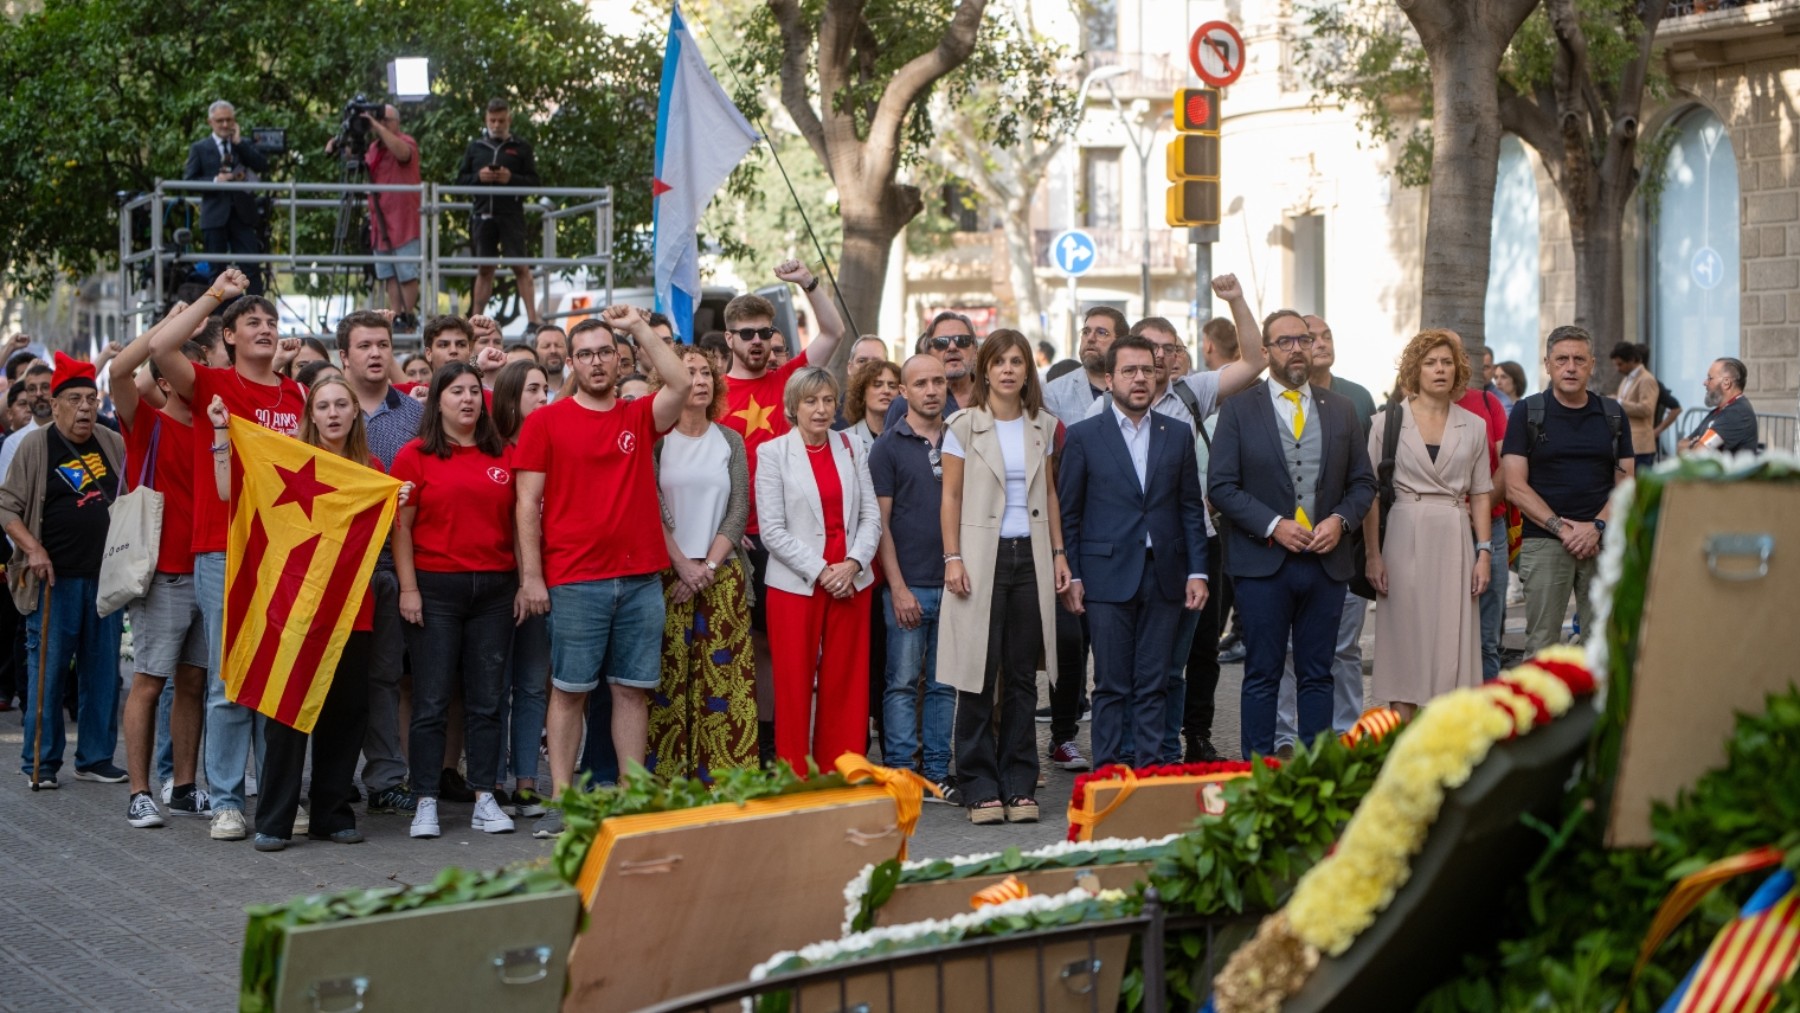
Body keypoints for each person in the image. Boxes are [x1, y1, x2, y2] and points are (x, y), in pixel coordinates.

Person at [207, 382, 407, 851]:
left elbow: (380, 541)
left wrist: (393, 504)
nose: (334, 413)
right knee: (286, 714)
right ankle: (274, 819)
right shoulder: (288, 458)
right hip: (296, 610)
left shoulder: (373, 470)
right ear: (311, 414)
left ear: (355, 412)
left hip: (354, 613)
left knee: (345, 715)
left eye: (342, 404)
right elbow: (226, 492)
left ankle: (332, 814)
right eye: (324, 406)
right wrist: (221, 432)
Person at [515, 309, 691, 838]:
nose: (596, 362)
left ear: (619, 359)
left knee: (632, 690)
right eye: (585, 354)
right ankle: (562, 800)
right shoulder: (545, 421)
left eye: (604, 352)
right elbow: (527, 504)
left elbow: (680, 381)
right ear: (569, 363)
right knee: (569, 691)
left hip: (640, 580)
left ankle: (633, 797)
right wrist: (532, 577)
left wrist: (638, 327)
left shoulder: (638, 414)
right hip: (574, 579)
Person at [148, 270, 308, 841]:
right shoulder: (212, 385)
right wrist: (216, 296)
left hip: (282, 553)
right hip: (222, 550)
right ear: (231, 337)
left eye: (272, 322)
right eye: (252, 323)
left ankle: (273, 798)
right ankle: (226, 801)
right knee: (227, 680)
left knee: (274, 678)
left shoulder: (297, 394)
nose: (265, 329)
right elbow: (160, 346)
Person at [1208, 309, 1377, 759]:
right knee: (1262, 672)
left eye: (1303, 339)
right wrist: (1273, 525)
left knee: (1318, 673)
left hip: (1326, 564)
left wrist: (1340, 521)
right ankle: (1257, 773)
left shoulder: (1340, 408)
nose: (1297, 348)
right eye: (1285, 342)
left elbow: (1364, 483)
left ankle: (1316, 775)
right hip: (1262, 564)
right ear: (1265, 352)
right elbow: (1221, 486)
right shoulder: (1241, 408)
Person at [938, 330, 1070, 824]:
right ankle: (978, 784)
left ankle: (1019, 784)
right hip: (978, 556)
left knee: (1020, 678)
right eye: (1000, 361)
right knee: (976, 673)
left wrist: (1059, 553)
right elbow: (950, 497)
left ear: (1027, 371)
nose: (1009, 369)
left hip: (1030, 555)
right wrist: (952, 557)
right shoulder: (962, 426)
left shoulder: (1043, 425)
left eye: (1017, 361)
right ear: (985, 369)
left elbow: (1051, 495)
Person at [1059, 336, 1208, 768]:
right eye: (1129, 371)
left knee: (1155, 681)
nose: (1140, 378)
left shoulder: (1176, 434)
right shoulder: (1085, 436)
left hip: (1165, 574)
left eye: (1147, 369)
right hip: (1106, 578)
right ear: (1110, 380)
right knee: (1110, 684)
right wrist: (1076, 576)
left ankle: (1149, 779)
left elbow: (1189, 508)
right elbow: (1070, 513)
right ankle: (1105, 780)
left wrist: (1198, 571)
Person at [719, 262, 846, 762]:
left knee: (777, 652)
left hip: (788, 543)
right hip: (731, 540)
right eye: (746, 334)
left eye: (764, 333)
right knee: (738, 647)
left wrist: (807, 283)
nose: (756, 341)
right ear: (728, 338)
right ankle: (735, 744)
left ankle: (773, 744)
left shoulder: (790, 380)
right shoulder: (712, 392)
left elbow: (833, 331)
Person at [391, 362, 519, 838]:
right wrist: (409, 589)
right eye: (456, 392)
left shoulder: (503, 453)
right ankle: (425, 798)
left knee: (488, 699)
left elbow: (520, 523)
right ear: (437, 401)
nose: (467, 399)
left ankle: (485, 795)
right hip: (435, 589)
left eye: (473, 392)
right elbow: (399, 530)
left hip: (495, 590)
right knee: (431, 699)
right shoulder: (415, 456)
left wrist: (527, 581)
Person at [1, 353, 128, 790]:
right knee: (48, 673)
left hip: (106, 579)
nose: (86, 408)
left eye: (91, 398)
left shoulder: (111, 441)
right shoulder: (35, 446)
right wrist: (33, 549)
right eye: (74, 399)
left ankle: (94, 757)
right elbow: (7, 507)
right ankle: (41, 761)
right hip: (54, 581)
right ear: (54, 405)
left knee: (103, 673)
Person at [110, 314, 210, 826]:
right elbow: (118, 374)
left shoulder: (219, 427)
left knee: (193, 683)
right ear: (167, 379)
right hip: (162, 576)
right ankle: (139, 791)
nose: (202, 378)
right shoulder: (145, 422)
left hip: (210, 573)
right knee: (149, 682)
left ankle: (186, 786)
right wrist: (175, 321)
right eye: (191, 369)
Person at [1361, 332, 1493, 718]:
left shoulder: (1474, 426)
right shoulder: (1385, 423)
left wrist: (1484, 552)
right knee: (1403, 636)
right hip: (1403, 530)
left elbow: (1482, 492)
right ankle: (1403, 735)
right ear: (1414, 370)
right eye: (1431, 362)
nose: (1440, 369)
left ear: (1458, 370)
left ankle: (1446, 737)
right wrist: (1372, 555)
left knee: (1453, 636)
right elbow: (1368, 493)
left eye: (1447, 362)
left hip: (1455, 532)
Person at [756, 367, 881, 771]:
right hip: (797, 585)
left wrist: (854, 563)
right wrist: (824, 570)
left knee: (846, 682)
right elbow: (771, 530)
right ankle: (795, 777)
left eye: (828, 400)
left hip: (852, 581)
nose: (821, 409)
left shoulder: (852, 447)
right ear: (793, 406)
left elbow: (871, 517)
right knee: (792, 686)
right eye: (811, 401)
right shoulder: (772, 453)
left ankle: (842, 770)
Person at [332, 310, 426, 816]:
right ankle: (331, 778)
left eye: (383, 344)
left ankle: (386, 777)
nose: (375, 353)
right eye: (364, 345)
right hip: (330, 569)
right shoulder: (322, 411)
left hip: (390, 567)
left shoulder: (414, 417)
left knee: (386, 677)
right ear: (343, 355)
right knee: (327, 677)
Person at [647, 349, 756, 780]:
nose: (700, 379)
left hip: (722, 577)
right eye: (689, 372)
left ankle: (723, 779)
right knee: (668, 680)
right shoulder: (657, 440)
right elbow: (651, 509)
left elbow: (738, 507)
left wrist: (706, 569)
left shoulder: (730, 440)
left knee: (723, 685)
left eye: (707, 372)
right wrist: (684, 567)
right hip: (667, 576)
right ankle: (669, 779)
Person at [1270, 313, 1375, 754]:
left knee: (1344, 649)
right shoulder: (1263, 402)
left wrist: (1361, 541)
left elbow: (1364, 478)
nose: (1316, 344)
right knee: (1289, 652)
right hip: (1280, 548)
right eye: (1304, 338)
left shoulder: (1355, 399)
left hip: (1340, 548)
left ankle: (1345, 730)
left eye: (1323, 336)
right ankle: (1287, 736)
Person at [1501, 325, 1633, 655]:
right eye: (1561, 359)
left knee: (1603, 647)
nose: (1570, 367)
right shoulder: (1527, 412)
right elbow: (1515, 486)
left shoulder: (1613, 414)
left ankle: (1596, 709)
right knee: (1542, 647)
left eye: (1578, 359)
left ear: (1592, 363)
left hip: (1601, 542)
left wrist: (1597, 527)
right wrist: (1563, 530)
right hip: (1545, 541)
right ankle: (1544, 709)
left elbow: (1627, 482)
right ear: (1547, 364)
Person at [871, 354, 956, 800]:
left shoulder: (962, 439)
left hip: (955, 584)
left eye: (938, 381)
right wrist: (898, 587)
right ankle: (902, 774)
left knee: (944, 685)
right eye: (920, 382)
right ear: (903, 391)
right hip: (909, 585)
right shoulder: (887, 446)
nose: (931, 390)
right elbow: (880, 524)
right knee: (902, 683)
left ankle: (939, 771)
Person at [490, 359, 552, 814]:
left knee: (532, 685)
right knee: (493, 685)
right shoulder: (491, 451)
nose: (543, 397)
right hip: (496, 583)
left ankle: (527, 781)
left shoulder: (555, 445)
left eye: (546, 388)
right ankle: (490, 781)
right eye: (533, 389)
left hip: (549, 581)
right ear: (510, 397)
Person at [327, 103, 421, 324]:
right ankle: (395, 316)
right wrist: (340, 145)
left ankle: (408, 318)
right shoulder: (374, 148)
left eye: (385, 119)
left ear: (396, 122)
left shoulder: (406, 141)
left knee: (406, 273)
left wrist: (377, 126)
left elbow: (403, 153)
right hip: (380, 222)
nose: (379, 123)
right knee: (388, 273)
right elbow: (359, 162)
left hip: (403, 220)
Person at [458, 98, 541, 323]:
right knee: (485, 269)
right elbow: (460, 182)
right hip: (482, 215)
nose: (496, 125)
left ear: (509, 120)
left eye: (501, 120)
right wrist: (479, 178)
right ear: (486, 119)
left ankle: (533, 321)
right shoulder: (475, 147)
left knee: (520, 267)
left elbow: (534, 183)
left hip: (512, 215)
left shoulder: (521, 148)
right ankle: (475, 321)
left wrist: (510, 179)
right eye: (492, 120)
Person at [184, 101, 268, 294]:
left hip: (243, 214)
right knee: (217, 271)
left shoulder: (242, 144)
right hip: (214, 215)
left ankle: (256, 312)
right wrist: (215, 180)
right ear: (210, 122)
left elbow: (262, 165)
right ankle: (219, 318)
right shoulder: (200, 148)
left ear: (234, 121)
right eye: (220, 120)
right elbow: (189, 181)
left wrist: (239, 144)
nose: (224, 125)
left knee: (251, 268)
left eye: (228, 120)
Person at [883, 313, 980, 427]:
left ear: (975, 351)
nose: (952, 347)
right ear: (928, 353)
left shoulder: (995, 396)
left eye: (962, 340)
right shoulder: (905, 403)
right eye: (941, 342)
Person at [1042, 306, 1125, 426]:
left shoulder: (1135, 388)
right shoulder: (1054, 393)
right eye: (1086, 332)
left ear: (1121, 342)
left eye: (1101, 333)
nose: (1090, 338)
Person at [1681, 357, 1757, 454]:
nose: (1705, 382)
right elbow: (1680, 445)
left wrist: (1695, 443)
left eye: (1710, 378)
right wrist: (1695, 443)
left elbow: (1698, 454)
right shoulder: (1719, 411)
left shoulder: (1736, 413)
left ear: (1726, 382)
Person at [1611, 342, 1660, 473]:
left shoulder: (1646, 379)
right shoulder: (1627, 379)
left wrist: (1619, 402)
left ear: (1632, 360)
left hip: (1641, 446)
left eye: (1620, 364)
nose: (1617, 369)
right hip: (1626, 444)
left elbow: (1647, 408)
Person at [0, 363, 53, 480]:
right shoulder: (13, 444)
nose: (39, 394)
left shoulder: (73, 434)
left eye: (45, 387)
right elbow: (7, 495)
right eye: (32, 389)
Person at [844, 359, 901, 452]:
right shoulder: (843, 440)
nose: (886, 391)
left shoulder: (911, 438)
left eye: (892, 386)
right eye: (877, 385)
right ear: (862, 393)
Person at [533, 324, 567, 395]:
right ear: (535, 352)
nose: (553, 351)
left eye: (559, 345)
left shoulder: (580, 389)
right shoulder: (526, 393)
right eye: (546, 346)